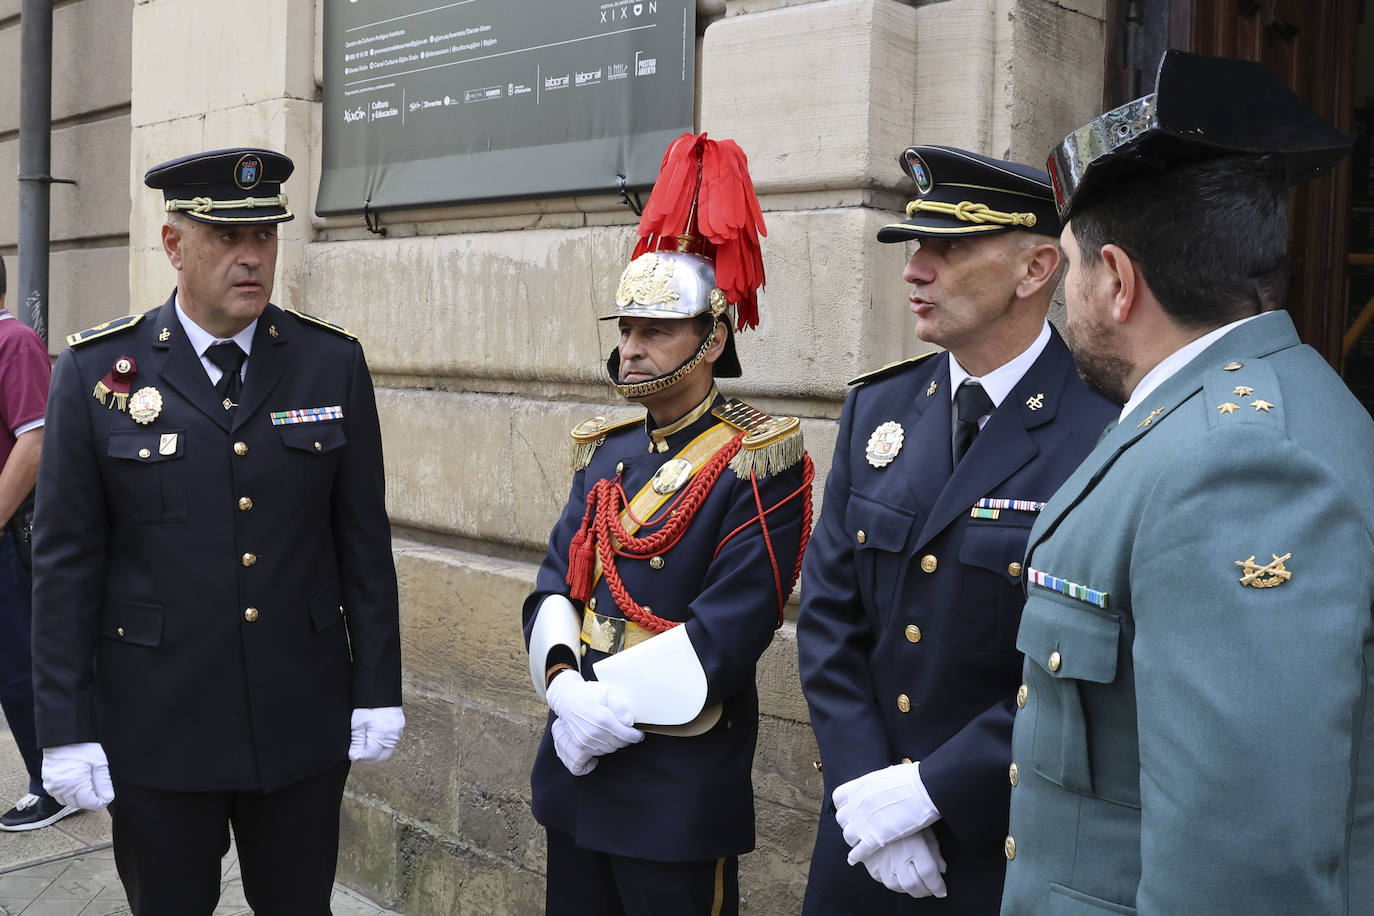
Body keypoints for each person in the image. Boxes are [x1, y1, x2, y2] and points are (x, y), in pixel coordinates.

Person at [1000, 50, 1374, 914]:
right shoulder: (1222, 418)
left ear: (1119, 283)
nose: (1064, 308)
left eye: (1071, 272)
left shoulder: (1238, 463)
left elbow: (1241, 868)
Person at [29, 148, 404, 915]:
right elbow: (65, 567)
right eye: (228, 239)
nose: (251, 258)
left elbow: (363, 542)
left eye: (264, 237)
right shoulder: (99, 372)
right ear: (173, 245)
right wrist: (63, 729)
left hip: (299, 717)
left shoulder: (328, 363)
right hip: (157, 727)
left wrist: (377, 687)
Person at [797, 145, 1117, 914]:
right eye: (916, 244)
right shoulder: (880, 411)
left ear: (1036, 268)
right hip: (862, 838)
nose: (915, 268)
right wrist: (869, 794)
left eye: (949, 246)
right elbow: (828, 620)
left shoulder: (1104, 432)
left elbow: (1085, 670)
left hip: (995, 848)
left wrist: (930, 793)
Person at [521, 132, 812, 916]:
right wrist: (562, 688)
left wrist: (594, 697)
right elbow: (557, 582)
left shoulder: (759, 457)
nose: (631, 348)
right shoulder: (603, 452)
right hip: (578, 761)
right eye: (625, 330)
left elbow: (733, 626)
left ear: (713, 338)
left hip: (676, 781)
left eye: (654, 332)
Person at [0, 261, 76, 832]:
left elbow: (35, 441)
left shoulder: (14, 341)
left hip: (8, 536)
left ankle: (53, 784)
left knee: (20, 667)